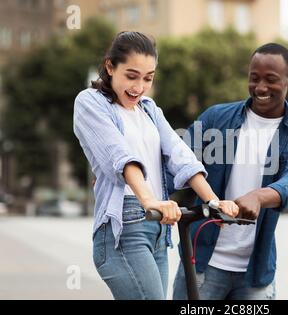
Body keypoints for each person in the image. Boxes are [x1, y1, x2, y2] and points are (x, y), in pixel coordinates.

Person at [73, 31, 238, 300]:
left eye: (148, 78)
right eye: (131, 75)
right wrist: (149, 201)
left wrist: (214, 202)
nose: (139, 87)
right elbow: (120, 155)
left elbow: (180, 154)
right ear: (110, 67)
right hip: (122, 231)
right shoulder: (90, 103)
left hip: (159, 229)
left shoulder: (149, 109)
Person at [172, 43, 288, 300]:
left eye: (271, 80)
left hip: (255, 275)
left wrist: (259, 197)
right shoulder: (216, 119)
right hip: (202, 264)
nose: (260, 87)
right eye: (254, 78)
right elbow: (178, 160)